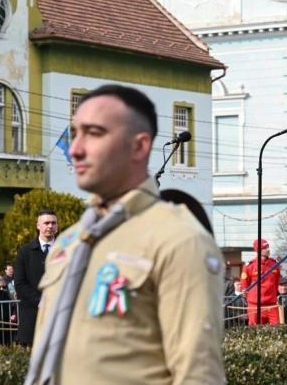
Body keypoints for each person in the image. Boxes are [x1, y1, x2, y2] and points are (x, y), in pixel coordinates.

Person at [26, 84, 225, 385]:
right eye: (75, 133)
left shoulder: (179, 240)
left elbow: (197, 375)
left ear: (139, 146)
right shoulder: (69, 242)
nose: (76, 148)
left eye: (94, 133)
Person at [14, 209, 58, 346]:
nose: (50, 226)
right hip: (32, 316)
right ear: (38, 225)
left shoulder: (66, 249)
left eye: (53, 223)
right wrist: (40, 301)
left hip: (59, 315)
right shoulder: (25, 251)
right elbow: (20, 284)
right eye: (46, 223)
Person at [240, 238, 281, 325]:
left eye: (268, 247)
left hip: (271, 304)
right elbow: (244, 286)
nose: (268, 249)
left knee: (277, 330)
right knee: (255, 332)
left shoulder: (275, 264)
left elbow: (277, 282)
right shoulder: (249, 266)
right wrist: (252, 298)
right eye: (265, 248)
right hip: (255, 305)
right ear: (258, 250)